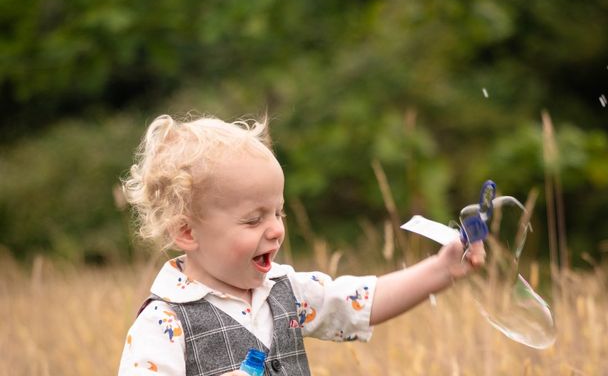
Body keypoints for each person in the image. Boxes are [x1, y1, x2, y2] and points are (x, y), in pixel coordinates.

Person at [117, 114, 485, 376]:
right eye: (253, 219)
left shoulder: (283, 289)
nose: (276, 229)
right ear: (187, 233)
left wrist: (441, 269)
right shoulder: (164, 322)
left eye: (278, 213)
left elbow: (357, 301)